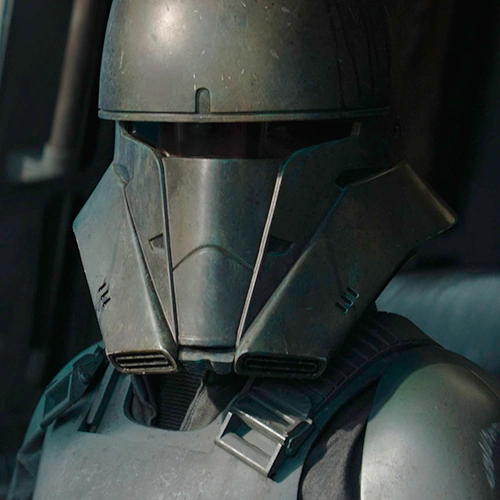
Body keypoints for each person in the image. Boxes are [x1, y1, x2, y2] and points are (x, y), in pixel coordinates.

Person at [8, 1, 500, 498]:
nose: (219, 183)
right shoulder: (72, 407)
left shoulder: (417, 434)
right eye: (191, 136)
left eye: (274, 135)